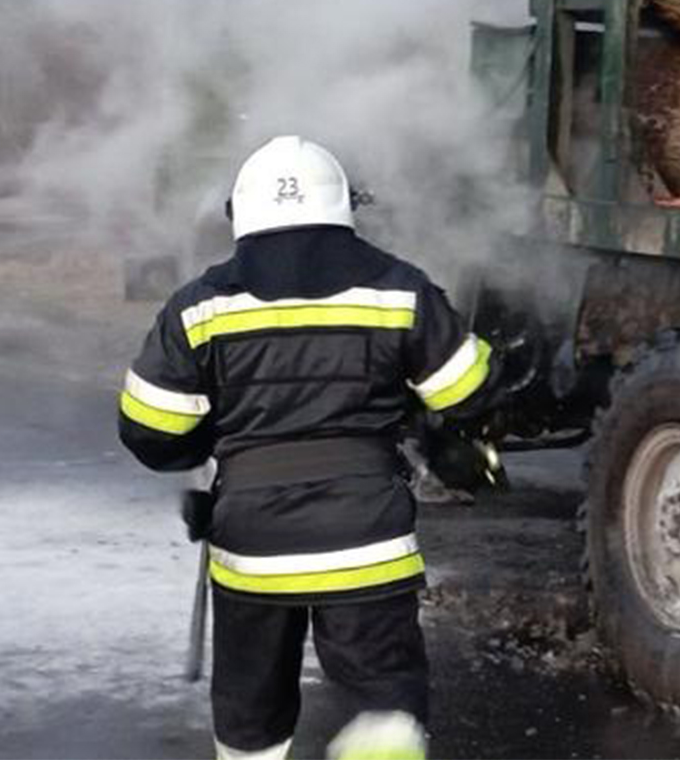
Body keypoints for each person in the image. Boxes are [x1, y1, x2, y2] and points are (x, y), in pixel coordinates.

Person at [118, 135, 515, 760]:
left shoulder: (198, 309)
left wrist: (210, 454)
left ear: (240, 212)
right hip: (369, 540)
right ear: (343, 208)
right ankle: (383, 735)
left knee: (251, 717)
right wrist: (425, 422)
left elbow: (149, 431)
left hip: (251, 544)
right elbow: (469, 390)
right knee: (385, 703)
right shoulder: (400, 290)